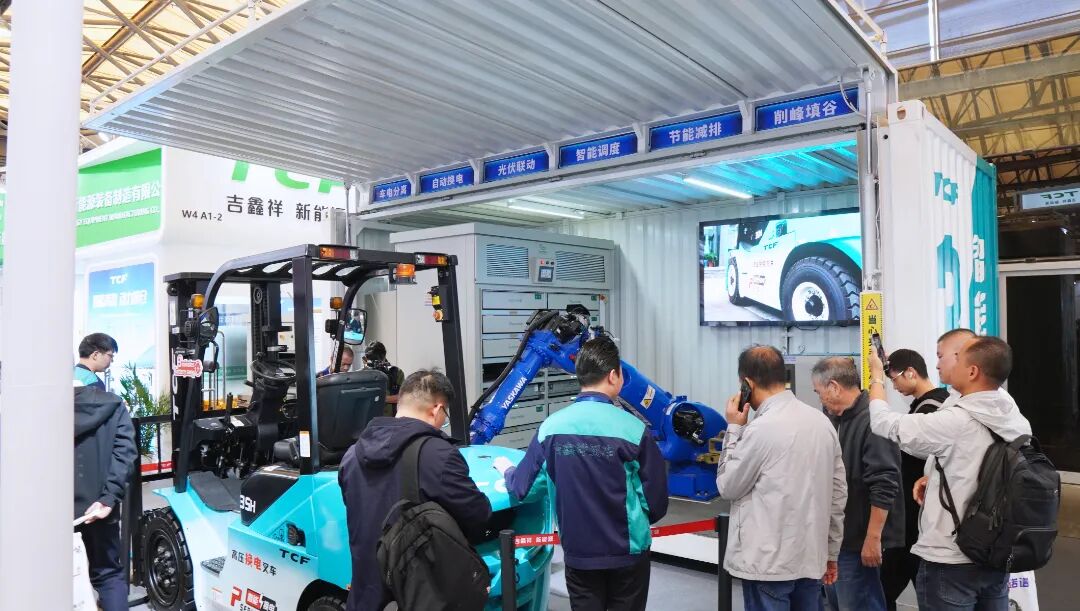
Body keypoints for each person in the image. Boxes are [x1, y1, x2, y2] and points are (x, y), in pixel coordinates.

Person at [496, 336, 668, 611]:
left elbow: (523, 488)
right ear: (613, 375)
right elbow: (656, 502)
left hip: (579, 554)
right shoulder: (634, 430)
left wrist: (506, 469)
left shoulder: (550, 428)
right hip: (628, 553)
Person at [867, 335, 1032, 610]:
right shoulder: (1011, 413)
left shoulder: (957, 420)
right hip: (996, 552)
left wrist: (875, 376)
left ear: (972, 371)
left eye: (948, 357)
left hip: (952, 558)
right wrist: (934, 477)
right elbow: (983, 463)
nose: (941, 364)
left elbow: (884, 423)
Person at [338, 369, 492, 611]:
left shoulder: (351, 456)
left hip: (366, 598)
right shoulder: (439, 455)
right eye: (445, 414)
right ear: (436, 409)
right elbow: (478, 514)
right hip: (420, 596)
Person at [716, 345, 847, 611]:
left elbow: (728, 486)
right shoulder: (822, 423)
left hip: (767, 566)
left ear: (747, 384)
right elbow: (838, 495)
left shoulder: (759, 430)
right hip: (811, 559)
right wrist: (831, 552)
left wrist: (734, 429)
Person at [811, 357, 903, 611]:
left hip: (857, 543)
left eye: (819, 392)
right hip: (835, 541)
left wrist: (873, 539)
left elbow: (884, 484)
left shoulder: (873, 421)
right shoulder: (832, 420)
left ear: (834, 387)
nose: (820, 399)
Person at [879, 348, 950, 611]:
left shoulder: (931, 409)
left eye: (895, 379)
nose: (895, 386)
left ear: (911, 372)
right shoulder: (937, 404)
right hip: (919, 519)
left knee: (886, 589)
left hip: (916, 520)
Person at [74, 376, 137, 611]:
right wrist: (108, 498)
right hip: (99, 510)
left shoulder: (33, 408)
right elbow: (125, 455)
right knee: (108, 575)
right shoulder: (113, 404)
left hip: (47, 513)